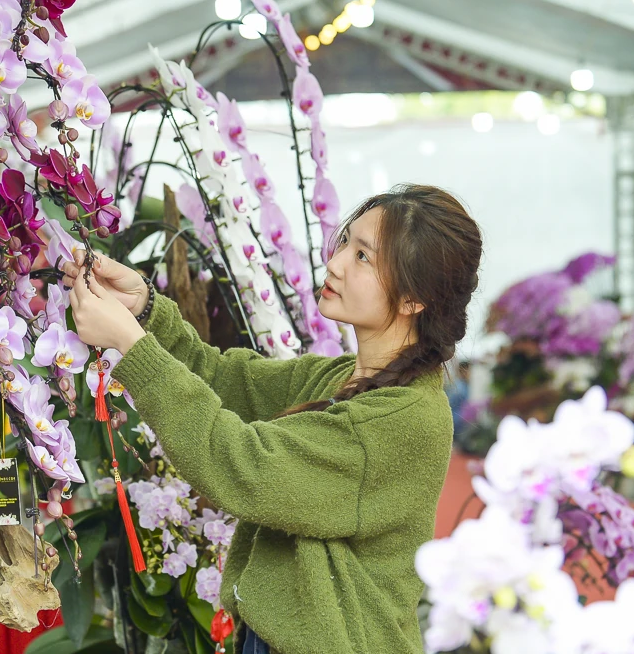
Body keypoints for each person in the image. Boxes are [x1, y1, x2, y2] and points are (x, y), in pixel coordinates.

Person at [60, 185, 482, 654]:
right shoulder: (349, 379)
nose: (335, 263)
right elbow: (228, 381)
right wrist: (143, 310)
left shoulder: (398, 422)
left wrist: (133, 346)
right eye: (345, 242)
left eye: (363, 257)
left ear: (413, 299)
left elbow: (243, 464)